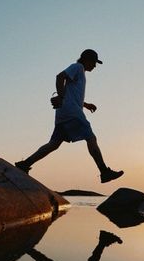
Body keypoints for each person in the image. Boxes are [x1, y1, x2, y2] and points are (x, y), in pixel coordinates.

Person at [15, 49, 124, 183]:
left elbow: (71, 94)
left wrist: (85, 104)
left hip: (63, 113)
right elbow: (60, 77)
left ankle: (25, 164)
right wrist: (61, 97)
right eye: (94, 62)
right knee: (91, 137)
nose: (95, 66)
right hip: (72, 113)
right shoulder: (78, 67)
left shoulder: (80, 72)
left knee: (54, 144)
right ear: (87, 60)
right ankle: (104, 172)